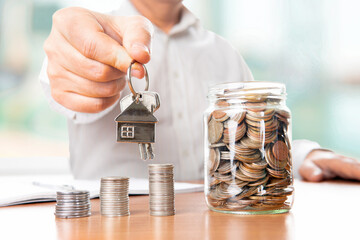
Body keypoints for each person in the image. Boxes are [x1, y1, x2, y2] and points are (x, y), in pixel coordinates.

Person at [40, 0, 360, 182]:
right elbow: (59, 72)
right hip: (116, 224)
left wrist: (302, 154)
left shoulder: (224, 52)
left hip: (214, 222)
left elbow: (255, 137)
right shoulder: (96, 34)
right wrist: (70, 60)